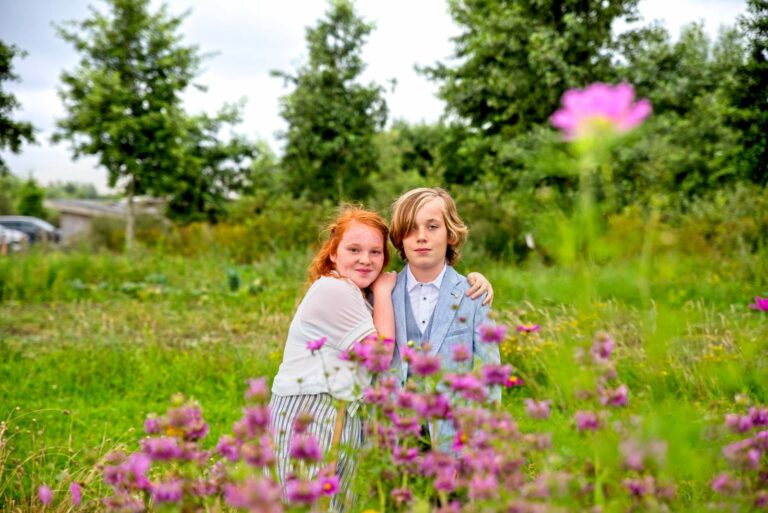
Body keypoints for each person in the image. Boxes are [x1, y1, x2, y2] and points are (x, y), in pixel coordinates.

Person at [270, 206, 396, 511]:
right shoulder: (333, 291)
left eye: (375, 252)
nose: (365, 259)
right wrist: (383, 292)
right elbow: (379, 356)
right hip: (311, 409)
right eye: (354, 249)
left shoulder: (354, 294)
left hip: (339, 409)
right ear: (333, 254)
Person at [388, 187, 501, 451]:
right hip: (395, 443)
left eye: (432, 227)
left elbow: (490, 377)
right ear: (400, 238)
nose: (422, 237)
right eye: (411, 228)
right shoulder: (384, 292)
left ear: (450, 234)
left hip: (453, 443)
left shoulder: (473, 295)